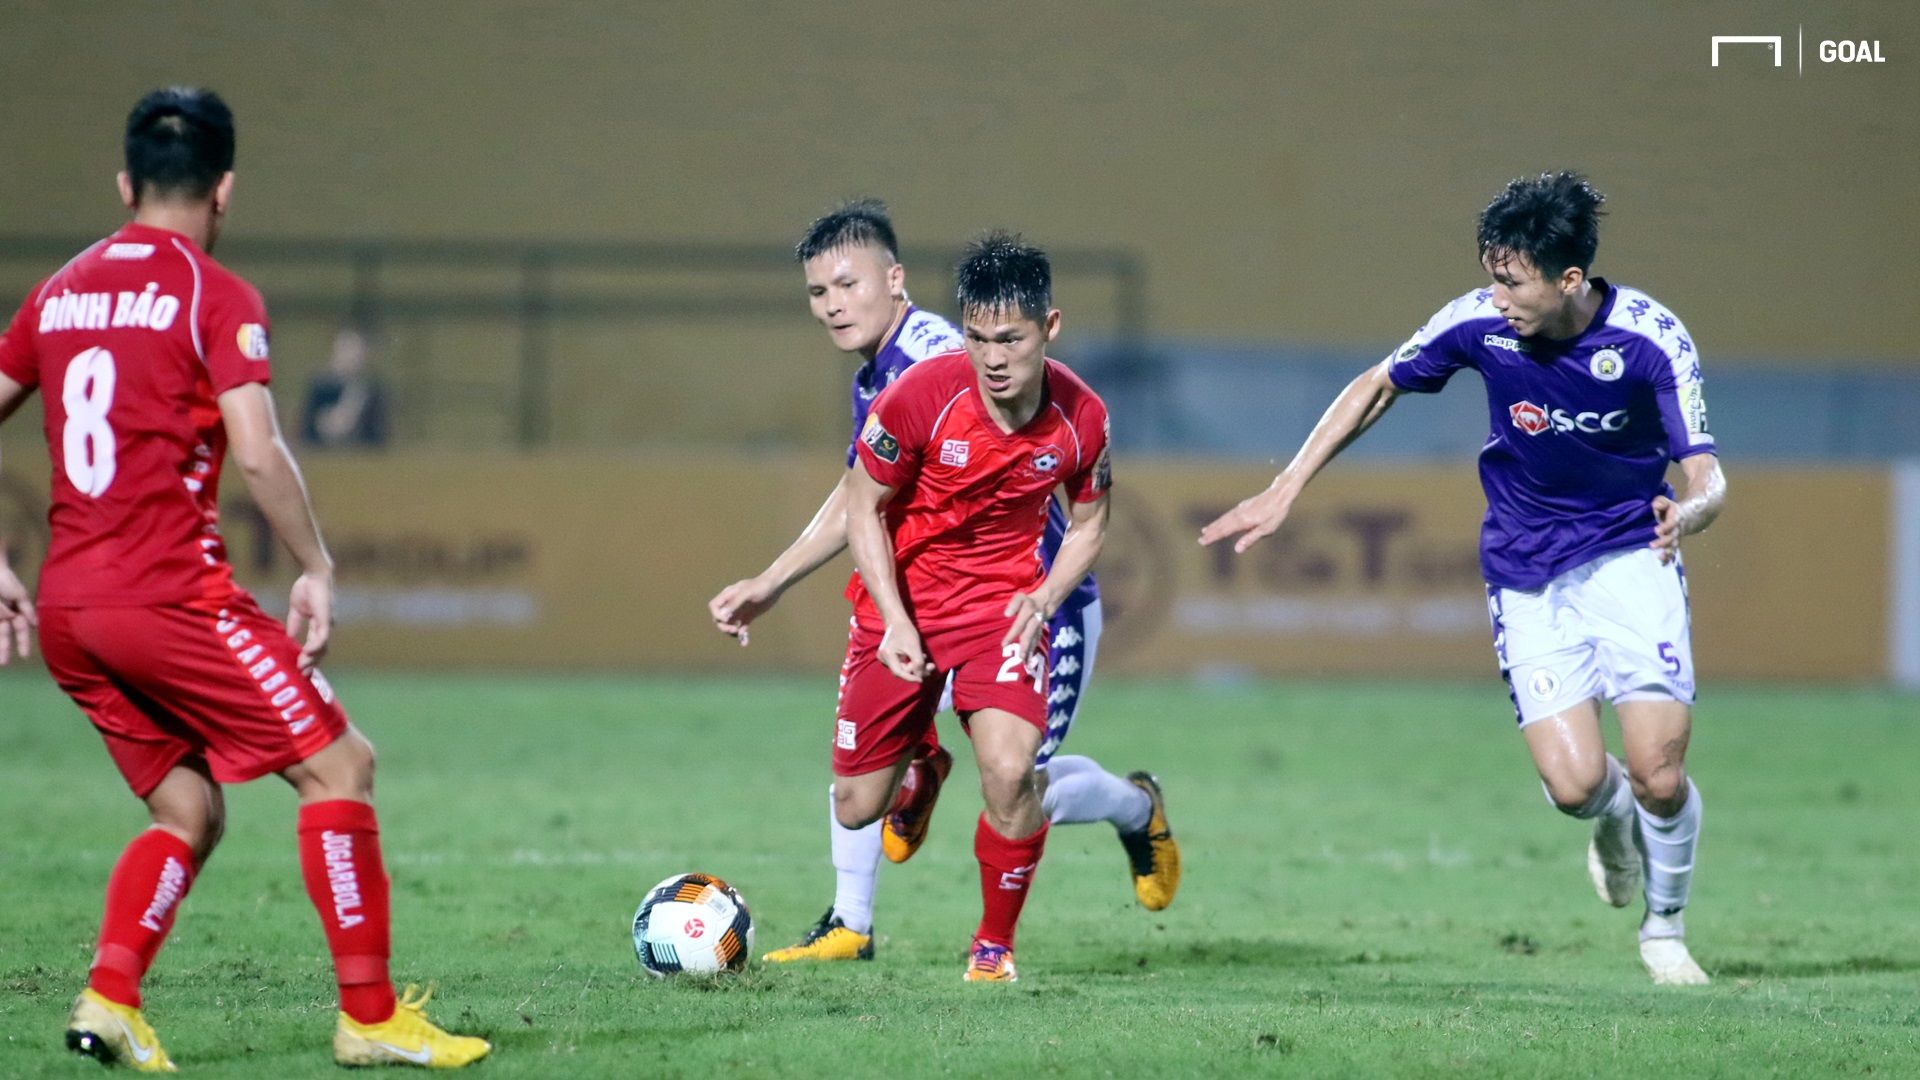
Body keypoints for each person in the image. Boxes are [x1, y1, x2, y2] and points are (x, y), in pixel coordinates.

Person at [0, 87, 490, 1070]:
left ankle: (109, 1000)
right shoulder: (212, 296)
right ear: (224, 190)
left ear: (124, 182)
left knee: (188, 809)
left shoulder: (58, 291)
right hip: (168, 599)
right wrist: (314, 565)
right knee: (341, 767)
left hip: (70, 612)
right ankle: (369, 1015)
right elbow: (259, 456)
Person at [1202, 172, 1725, 986]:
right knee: (1576, 785)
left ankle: (1665, 930)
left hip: (1632, 555)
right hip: (1524, 570)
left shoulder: (1653, 339)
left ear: (1570, 280)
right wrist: (1288, 483)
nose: (1497, 296)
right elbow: (1379, 382)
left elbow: (1706, 472)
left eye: (1513, 281)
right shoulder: (1479, 323)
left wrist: (1690, 512)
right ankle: (1611, 817)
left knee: (1660, 773)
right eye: (1492, 276)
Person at [707, 203, 1177, 965]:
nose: (831, 302)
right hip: (922, 602)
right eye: (816, 291)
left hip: (1027, 604)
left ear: (894, 279)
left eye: (847, 283)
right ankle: (861, 901)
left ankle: (1132, 809)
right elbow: (863, 496)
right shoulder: (894, 374)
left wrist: (1045, 596)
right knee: (872, 790)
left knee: (1021, 782)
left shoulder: (936, 361)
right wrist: (779, 579)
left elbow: (1079, 514)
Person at [300, 324, 389, 448]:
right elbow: (306, 432)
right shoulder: (320, 388)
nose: (352, 356)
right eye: (346, 350)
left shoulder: (372, 390)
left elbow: (377, 437)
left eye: (356, 351)